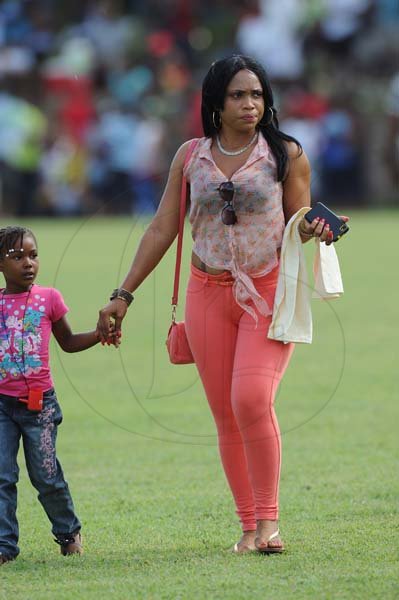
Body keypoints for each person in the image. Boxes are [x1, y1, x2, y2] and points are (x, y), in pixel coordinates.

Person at [97, 55, 348, 554]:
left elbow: (299, 215)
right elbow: (163, 227)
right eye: (238, 95)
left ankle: (271, 523)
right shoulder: (191, 156)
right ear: (215, 102)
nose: (250, 104)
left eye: (256, 94)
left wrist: (314, 226)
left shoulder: (286, 154)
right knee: (225, 415)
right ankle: (248, 527)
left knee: (251, 399)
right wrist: (123, 294)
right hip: (205, 293)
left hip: (268, 291)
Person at [0, 226, 118, 565]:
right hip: (2, 406)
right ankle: (4, 546)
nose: (28, 263)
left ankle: (68, 534)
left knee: (46, 474)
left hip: (40, 407)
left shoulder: (48, 298)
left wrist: (99, 335)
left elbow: (67, 343)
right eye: (17, 256)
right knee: (2, 475)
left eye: (33, 255)